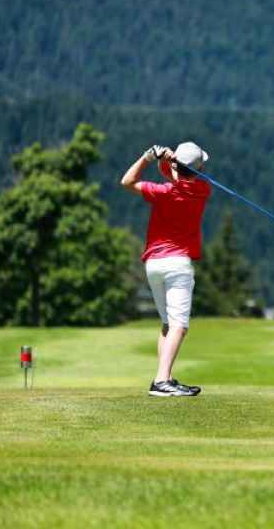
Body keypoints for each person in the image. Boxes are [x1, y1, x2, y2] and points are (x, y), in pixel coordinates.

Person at [121, 142, 212, 397]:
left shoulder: (162, 192)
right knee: (179, 326)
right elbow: (179, 178)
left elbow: (127, 181)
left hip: (153, 264)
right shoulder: (202, 190)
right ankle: (161, 381)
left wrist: (149, 156)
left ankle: (165, 378)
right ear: (200, 169)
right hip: (178, 265)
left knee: (167, 324)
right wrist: (171, 162)